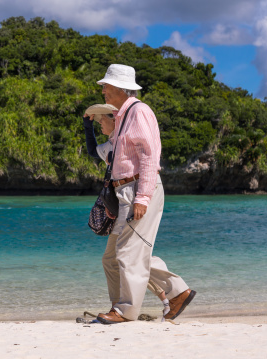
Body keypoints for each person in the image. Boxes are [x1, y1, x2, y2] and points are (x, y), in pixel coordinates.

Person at [84, 64, 196, 323]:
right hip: (125, 190)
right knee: (113, 257)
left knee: (128, 253)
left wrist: (142, 198)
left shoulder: (139, 112)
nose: (103, 90)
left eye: (106, 86)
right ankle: (174, 294)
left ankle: (126, 311)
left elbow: (149, 155)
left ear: (121, 88)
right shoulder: (122, 117)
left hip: (137, 189)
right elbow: (106, 153)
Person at [83, 107, 170, 321]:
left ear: (115, 121)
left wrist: (141, 199)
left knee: (123, 257)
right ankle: (164, 299)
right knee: (125, 257)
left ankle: (123, 308)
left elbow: (149, 162)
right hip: (123, 203)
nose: (100, 124)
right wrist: (88, 125)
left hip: (133, 200)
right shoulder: (112, 145)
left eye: (102, 120)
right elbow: (93, 151)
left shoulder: (123, 141)